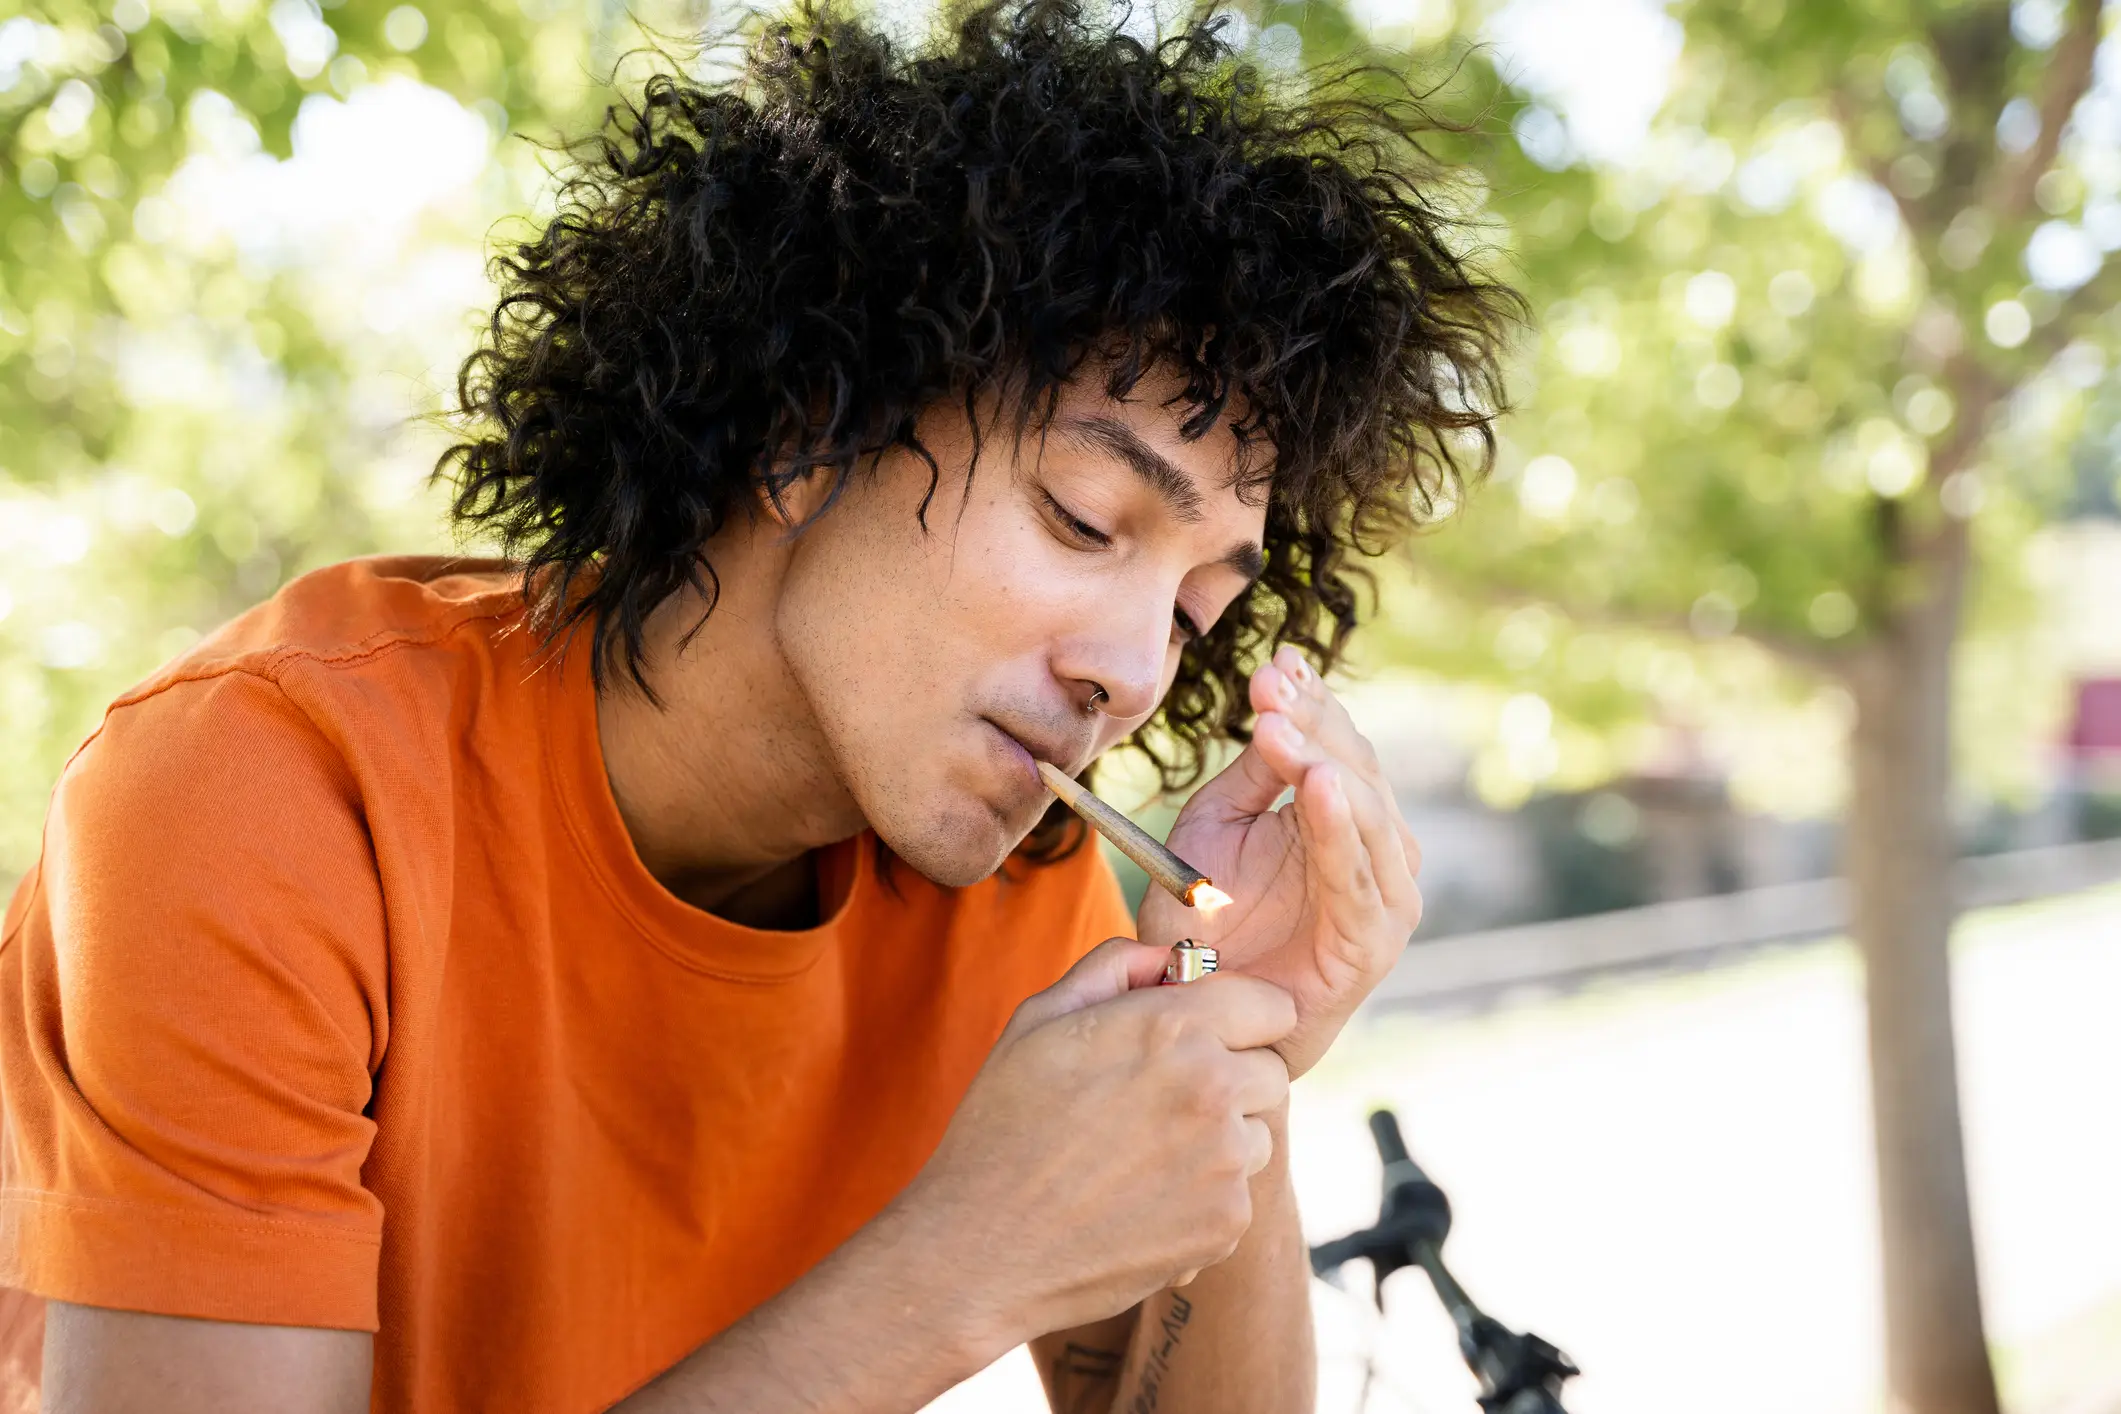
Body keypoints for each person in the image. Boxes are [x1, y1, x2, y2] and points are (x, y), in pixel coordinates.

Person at [0, 2, 1516, 1409]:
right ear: (813, 427)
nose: (1133, 671)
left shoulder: (1001, 882)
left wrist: (1223, 1026)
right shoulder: (265, 787)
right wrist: (957, 1260)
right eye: (1082, 515)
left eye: (1197, 607)